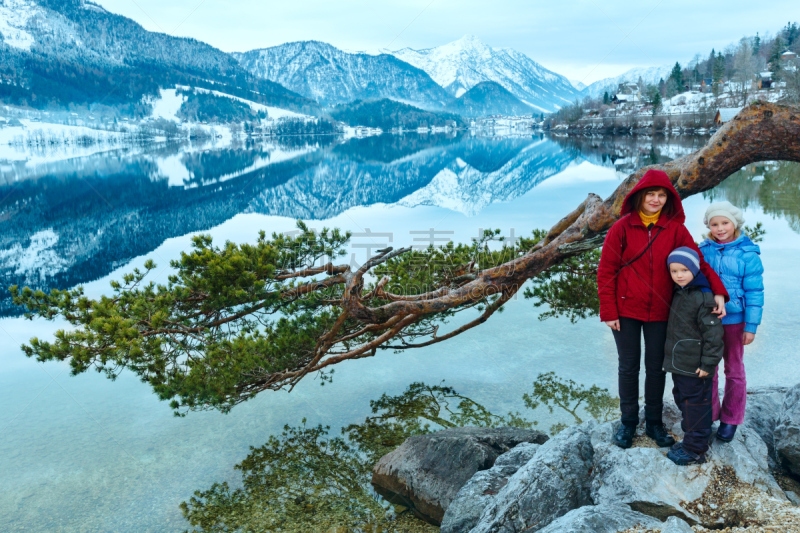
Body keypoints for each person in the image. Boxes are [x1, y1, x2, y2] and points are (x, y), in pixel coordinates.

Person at [597, 169, 728, 449]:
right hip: (625, 311)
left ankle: (654, 422)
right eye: (650, 194)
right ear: (639, 196)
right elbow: (606, 271)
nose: (655, 200)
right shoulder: (621, 228)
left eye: (661, 195)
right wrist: (608, 310)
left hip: (662, 311)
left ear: (668, 199)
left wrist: (718, 291)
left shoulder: (676, 230)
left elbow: (699, 263)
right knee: (628, 367)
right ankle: (628, 422)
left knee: (656, 369)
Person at [699, 201, 764, 442]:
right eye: (714, 224)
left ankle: (731, 418)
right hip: (709, 320)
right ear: (709, 226)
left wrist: (751, 326)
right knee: (710, 368)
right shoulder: (703, 250)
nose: (720, 228)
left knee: (734, 369)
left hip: (736, 320)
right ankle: (710, 413)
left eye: (725, 222)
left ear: (734, 223)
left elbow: (755, 292)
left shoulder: (748, 253)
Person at [662, 247, 724, 465]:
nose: (679, 275)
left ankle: (695, 450)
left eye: (685, 270)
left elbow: (714, 335)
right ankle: (693, 437)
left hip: (697, 367)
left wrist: (708, 364)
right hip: (681, 364)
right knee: (683, 399)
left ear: (696, 270)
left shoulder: (703, 297)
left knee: (695, 405)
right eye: (674, 271)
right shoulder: (680, 292)